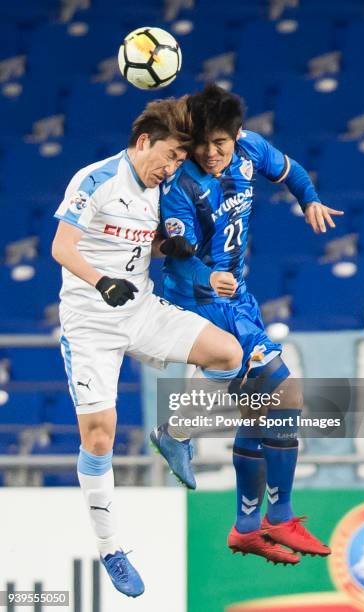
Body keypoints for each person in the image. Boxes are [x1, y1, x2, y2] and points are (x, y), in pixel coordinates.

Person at [51, 97, 244, 598]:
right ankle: (111, 547)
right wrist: (100, 282)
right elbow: (62, 247)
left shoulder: (160, 191)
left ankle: (175, 430)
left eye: (182, 160)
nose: (174, 167)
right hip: (91, 321)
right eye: (172, 156)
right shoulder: (94, 180)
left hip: (140, 310)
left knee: (228, 354)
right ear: (143, 143)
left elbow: (140, 239)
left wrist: (167, 247)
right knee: (99, 439)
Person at [155, 84, 344, 564]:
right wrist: (207, 273)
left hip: (238, 297)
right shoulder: (181, 186)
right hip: (201, 301)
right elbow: (175, 254)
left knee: (259, 412)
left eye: (221, 142)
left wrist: (310, 200)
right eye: (203, 143)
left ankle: (244, 526)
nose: (212, 153)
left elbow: (291, 170)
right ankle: (278, 518)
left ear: (237, 136)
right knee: (286, 395)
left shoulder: (251, 149)